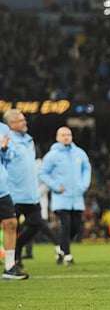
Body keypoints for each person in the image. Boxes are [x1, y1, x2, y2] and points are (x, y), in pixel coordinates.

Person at [3, 109, 62, 268]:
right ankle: (14, 260)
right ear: (11, 125)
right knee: (11, 227)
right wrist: (4, 148)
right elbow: (6, 158)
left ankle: (17, 248)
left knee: (36, 224)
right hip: (13, 193)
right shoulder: (6, 139)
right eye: (21, 120)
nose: (25, 122)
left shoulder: (29, 140)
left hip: (30, 194)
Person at [38, 126, 92, 265]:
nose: (66, 137)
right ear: (57, 137)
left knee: (76, 226)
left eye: (68, 134)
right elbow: (43, 173)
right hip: (61, 197)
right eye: (63, 135)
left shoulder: (79, 153)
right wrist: (55, 186)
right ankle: (67, 254)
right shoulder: (52, 155)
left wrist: (84, 184)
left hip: (77, 196)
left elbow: (87, 168)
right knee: (66, 225)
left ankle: (61, 248)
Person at [0, 122, 28, 280]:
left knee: (11, 223)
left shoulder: (3, 129)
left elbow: (9, 156)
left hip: (2, 186)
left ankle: (9, 267)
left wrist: (4, 148)